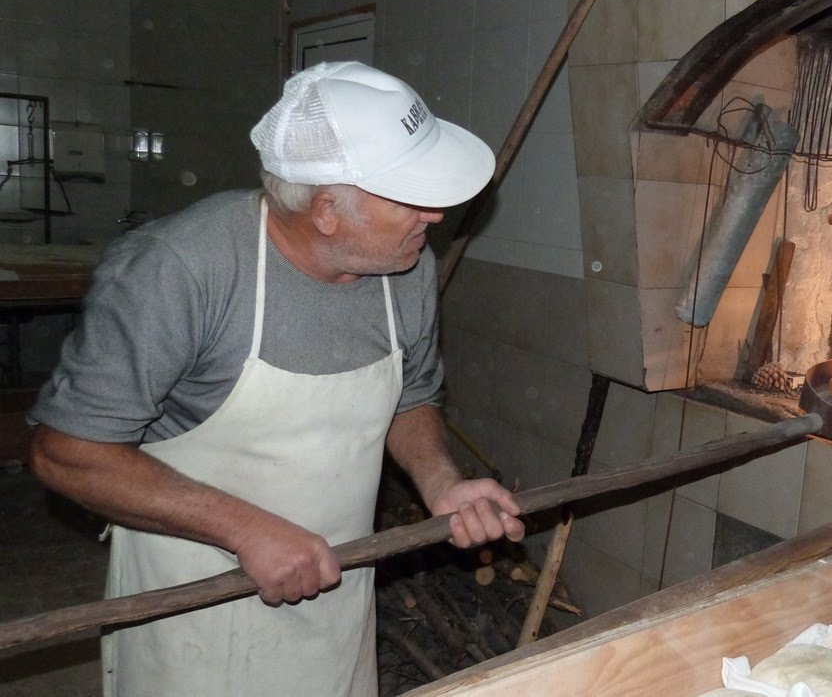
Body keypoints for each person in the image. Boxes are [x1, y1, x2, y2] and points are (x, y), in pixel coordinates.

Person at [27, 61, 523, 696]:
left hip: (338, 589)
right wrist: (243, 528)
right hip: (194, 603)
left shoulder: (406, 266)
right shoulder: (180, 270)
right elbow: (64, 452)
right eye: (409, 196)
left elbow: (411, 394)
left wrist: (441, 481)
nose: (433, 213)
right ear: (325, 211)